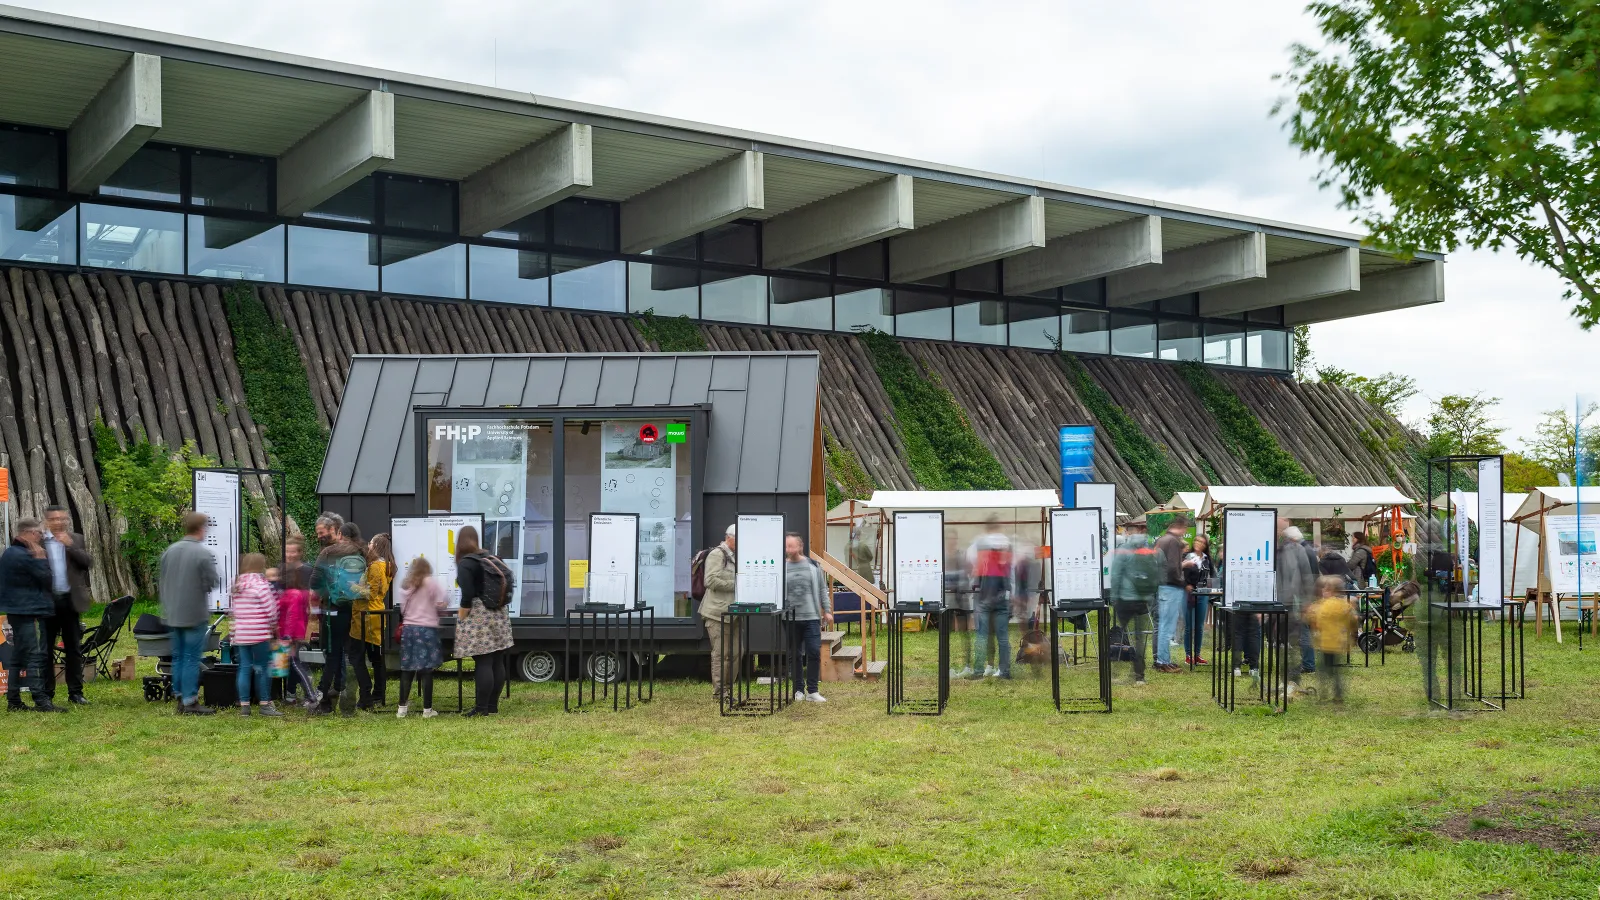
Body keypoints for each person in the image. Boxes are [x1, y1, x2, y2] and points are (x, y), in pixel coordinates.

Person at [159, 512, 219, 716]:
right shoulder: (202, 553)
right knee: (191, 658)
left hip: (173, 612)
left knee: (177, 657)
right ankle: (190, 700)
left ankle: (178, 695)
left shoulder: (170, 551)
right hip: (194, 613)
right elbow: (213, 581)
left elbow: (163, 580)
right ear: (201, 529)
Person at [2, 518, 62, 712]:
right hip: (24, 610)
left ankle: (14, 701)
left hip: (18, 609)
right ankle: (41, 700)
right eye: (38, 533)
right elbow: (46, 577)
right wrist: (41, 557)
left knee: (19, 656)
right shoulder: (24, 555)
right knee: (34, 655)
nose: (40, 537)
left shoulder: (10, 552)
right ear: (28, 533)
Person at [453, 525, 513, 717]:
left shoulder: (466, 563)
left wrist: (461, 617)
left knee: (483, 662)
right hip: (499, 613)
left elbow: (467, 596)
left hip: (479, 615)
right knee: (497, 660)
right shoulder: (491, 557)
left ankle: (481, 709)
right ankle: (492, 706)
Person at [310, 515, 366, 715]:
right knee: (353, 657)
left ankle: (322, 696)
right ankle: (350, 704)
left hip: (333, 609)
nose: (319, 537)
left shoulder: (327, 552)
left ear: (338, 531)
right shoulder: (362, 551)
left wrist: (327, 593)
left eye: (321, 533)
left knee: (332, 654)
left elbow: (314, 582)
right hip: (358, 610)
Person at [41, 505, 93, 706]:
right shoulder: (38, 541)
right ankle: (46, 693)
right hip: (47, 602)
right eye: (54, 519)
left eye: (63, 518)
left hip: (70, 601)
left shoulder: (76, 538)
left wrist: (70, 546)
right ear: (47, 521)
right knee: (46, 649)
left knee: (73, 648)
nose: (59, 522)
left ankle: (75, 693)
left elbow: (87, 563)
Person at [229, 552, 282, 717]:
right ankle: (264, 704)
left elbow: (231, 610)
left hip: (241, 634)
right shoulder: (262, 584)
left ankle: (244, 706)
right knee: (262, 668)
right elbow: (271, 609)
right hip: (259, 633)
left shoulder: (235, 584)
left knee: (244, 668)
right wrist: (274, 625)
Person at [784, 532, 833, 703]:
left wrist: (827, 610)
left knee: (813, 652)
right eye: (786, 546)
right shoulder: (782, 567)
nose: (788, 549)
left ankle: (812, 691)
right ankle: (799, 690)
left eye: (791, 545)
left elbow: (822, 590)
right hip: (790, 619)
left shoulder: (813, 566)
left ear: (800, 546)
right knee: (795, 655)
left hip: (811, 617)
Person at [396, 556, 447, 719]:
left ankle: (401, 709)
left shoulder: (405, 585)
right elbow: (443, 601)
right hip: (427, 631)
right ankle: (427, 710)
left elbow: (403, 611)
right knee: (426, 670)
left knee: (407, 670)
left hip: (409, 630)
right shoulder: (431, 582)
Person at [349, 532, 394, 711]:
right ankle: (378, 694)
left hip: (366, 617)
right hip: (375, 615)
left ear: (376, 546)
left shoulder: (375, 566)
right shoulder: (388, 566)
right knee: (376, 658)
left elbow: (370, 593)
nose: (368, 545)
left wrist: (350, 586)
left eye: (371, 542)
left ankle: (366, 693)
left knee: (356, 657)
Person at [966, 515, 1014, 679]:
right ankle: (1005, 671)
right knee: (1002, 636)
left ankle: (978, 671)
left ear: (987, 527)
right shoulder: (1008, 544)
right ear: (999, 526)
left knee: (981, 635)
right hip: (1002, 594)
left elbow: (972, 563)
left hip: (984, 594)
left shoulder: (980, 544)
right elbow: (1011, 569)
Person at [1109, 532, 1159, 686]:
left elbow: (1116, 575)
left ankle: (1115, 673)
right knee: (1139, 639)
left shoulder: (1123, 551)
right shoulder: (1147, 552)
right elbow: (1154, 574)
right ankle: (1139, 675)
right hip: (1141, 600)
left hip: (1124, 599)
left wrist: (1114, 596)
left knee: (1119, 635)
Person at [275, 536, 319, 708]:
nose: (290, 554)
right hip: (287, 622)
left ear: (300, 552)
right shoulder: (281, 569)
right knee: (290, 658)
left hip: (296, 622)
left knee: (295, 658)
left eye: (293, 551)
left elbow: (311, 596)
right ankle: (291, 692)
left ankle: (307, 694)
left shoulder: (308, 571)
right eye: (287, 551)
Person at [1276, 520, 1317, 695]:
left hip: (1293, 602)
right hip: (1284, 601)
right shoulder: (1282, 550)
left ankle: (1294, 676)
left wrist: (1307, 600)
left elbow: (1306, 577)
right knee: (1285, 640)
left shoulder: (1299, 550)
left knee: (1295, 637)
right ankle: (1289, 676)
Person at [699, 524, 739, 699]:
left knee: (737, 652)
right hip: (717, 614)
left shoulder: (735, 556)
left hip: (734, 613)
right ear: (730, 537)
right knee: (721, 654)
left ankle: (728, 690)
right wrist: (737, 585)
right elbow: (710, 580)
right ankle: (720, 692)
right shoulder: (717, 554)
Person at [1307, 576, 1357, 703]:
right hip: (1339, 643)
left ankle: (1323, 695)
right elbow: (1353, 620)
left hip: (1326, 643)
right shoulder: (1344, 605)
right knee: (1336, 672)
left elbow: (1315, 622)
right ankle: (1338, 695)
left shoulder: (1322, 606)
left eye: (1325, 589)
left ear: (1330, 591)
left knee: (1322, 671)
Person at [1152, 515, 1189, 674]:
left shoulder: (1161, 539)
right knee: (1167, 627)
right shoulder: (1173, 541)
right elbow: (1173, 567)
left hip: (1162, 586)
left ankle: (1163, 659)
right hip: (1171, 587)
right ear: (1180, 526)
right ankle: (1162, 661)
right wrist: (1182, 582)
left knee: (1164, 626)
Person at [1181, 533, 1214, 666]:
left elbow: (1212, 576)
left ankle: (1197, 654)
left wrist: (1211, 588)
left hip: (1202, 594)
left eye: (1201, 542)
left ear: (1205, 545)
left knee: (1199, 626)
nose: (1198, 543)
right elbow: (1178, 574)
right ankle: (1188, 655)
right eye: (1196, 540)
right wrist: (1185, 585)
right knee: (1189, 626)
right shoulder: (1186, 556)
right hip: (1189, 594)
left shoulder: (1207, 560)